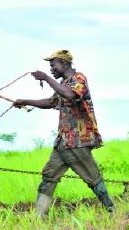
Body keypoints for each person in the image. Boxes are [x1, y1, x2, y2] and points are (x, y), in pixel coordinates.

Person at [13, 49, 114, 218]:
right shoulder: (64, 83)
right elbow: (51, 102)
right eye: (50, 67)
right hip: (63, 142)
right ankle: (39, 216)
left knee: (93, 178)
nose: (51, 69)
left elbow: (71, 95)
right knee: (49, 176)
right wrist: (25, 101)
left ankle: (111, 210)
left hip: (78, 140)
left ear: (64, 64)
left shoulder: (78, 79)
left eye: (53, 65)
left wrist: (46, 78)